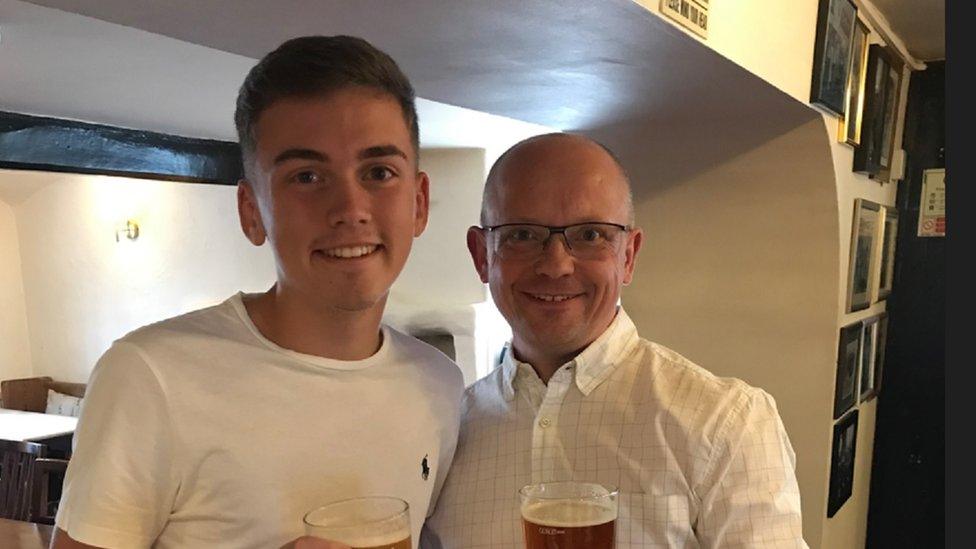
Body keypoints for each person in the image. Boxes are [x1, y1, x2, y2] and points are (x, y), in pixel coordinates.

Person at [52, 35, 463, 549]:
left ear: (419, 202)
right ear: (252, 212)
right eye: (307, 176)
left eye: (379, 172)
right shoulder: (149, 375)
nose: (351, 207)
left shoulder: (440, 386)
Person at [422, 133, 806, 548]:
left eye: (590, 235)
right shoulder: (445, 429)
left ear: (628, 255)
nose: (556, 265)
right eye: (522, 235)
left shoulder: (726, 424)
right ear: (482, 254)